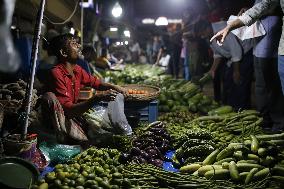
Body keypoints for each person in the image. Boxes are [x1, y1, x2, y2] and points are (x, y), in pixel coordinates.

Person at [211, 0, 284, 131]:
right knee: (260, 86)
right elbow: (260, 7)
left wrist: (232, 25)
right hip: (259, 44)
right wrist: (248, 10)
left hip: (270, 40)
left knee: (271, 86)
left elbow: (267, 7)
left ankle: (278, 123)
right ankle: (265, 120)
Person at [40, 34, 126, 144]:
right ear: (64, 53)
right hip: (56, 122)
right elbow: (68, 111)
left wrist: (115, 87)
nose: (79, 46)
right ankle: (62, 139)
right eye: (73, 43)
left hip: (70, 115)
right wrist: (97, 97)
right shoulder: (56, 73)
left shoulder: (77, 70)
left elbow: (97, 83)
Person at [197, 20, 253, 110]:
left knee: (240, 82)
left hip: (245, 51)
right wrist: (212, 70)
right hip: (233, 56)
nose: (202, 36)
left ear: (207, 28)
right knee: (228, 81)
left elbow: (236, 51)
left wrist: (236, 71)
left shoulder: (223, 30)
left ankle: (243, 110)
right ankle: (231, 107)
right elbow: (218, 54)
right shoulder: (210, 35)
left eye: (202, 33)